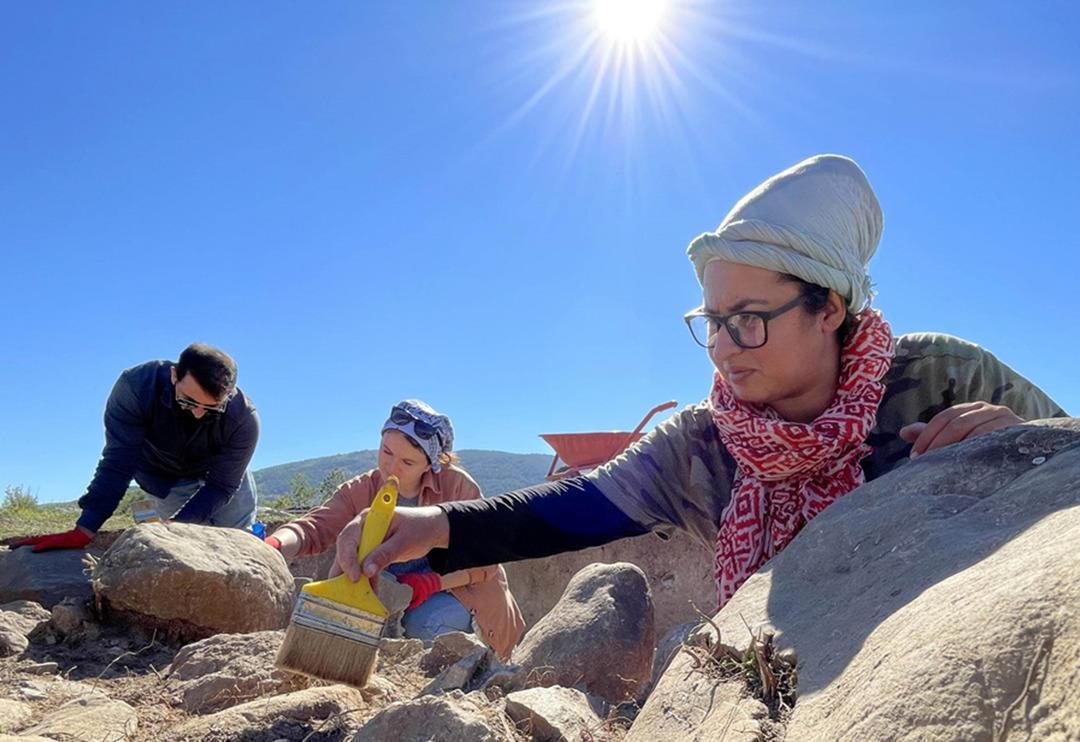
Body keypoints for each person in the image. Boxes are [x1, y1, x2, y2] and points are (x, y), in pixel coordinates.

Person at [330, 155, 1068, 612]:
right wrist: (440, 526)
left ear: (829, 308)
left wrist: (1024, 454)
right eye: (711, 320)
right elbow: (582, 504)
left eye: (746, 319)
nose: (720, 348)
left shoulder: (943, 378)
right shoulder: (704, 445)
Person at [265, 399, 526, 660]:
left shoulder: (458, 488)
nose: (391, 467)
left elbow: (487, 561)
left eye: (407, 462)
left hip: (462, 599)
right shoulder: (363, 489)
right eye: (386, 452)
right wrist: (272, 547)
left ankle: (463, 678)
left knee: (426, 623)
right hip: (398, 598)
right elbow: (315, 527)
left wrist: (433, 582)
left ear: (431, 463)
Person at [14, 343, 260, 551]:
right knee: (186, 547)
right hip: (165, 480)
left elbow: (220, 486)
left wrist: (175, 526)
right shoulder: (136, 388)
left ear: (228, 396)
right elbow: (119, 462)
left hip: (223, 479)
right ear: (174, 375)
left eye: (210, 408)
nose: (197, 413)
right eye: (189, 401)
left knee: (238, 544)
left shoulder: (243, 418)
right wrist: (85, 528)